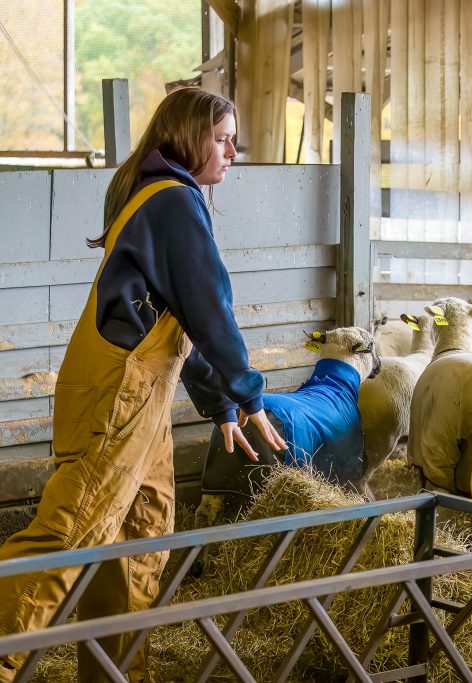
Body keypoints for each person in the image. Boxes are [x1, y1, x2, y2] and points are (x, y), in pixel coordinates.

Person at [0, 87, 287, 682]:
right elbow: (210, 308)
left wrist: (219, 405)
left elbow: (177, 315)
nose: (233, 151)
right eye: (222, 138)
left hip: (140, 392)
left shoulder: (164, 195)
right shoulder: (173, 202)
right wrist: (247, 390)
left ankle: (117, 676)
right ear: (188, 138)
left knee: (137, 540)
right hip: (119, 394)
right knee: (72, 531)